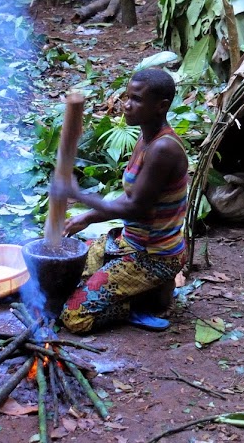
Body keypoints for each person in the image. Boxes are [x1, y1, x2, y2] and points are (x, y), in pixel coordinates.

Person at [55, 68, 188, 334]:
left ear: (161, 106)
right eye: (127, 97)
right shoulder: (145, 136)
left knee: (73, 317)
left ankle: (139, 302)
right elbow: (130, 196)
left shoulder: (164, 149)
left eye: (136, 99)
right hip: (130, 241)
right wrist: (87, 217)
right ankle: (152, 292)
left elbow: (135, 207)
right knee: (69, 272)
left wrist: (78, 194)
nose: (126, 105)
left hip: (154, 256)